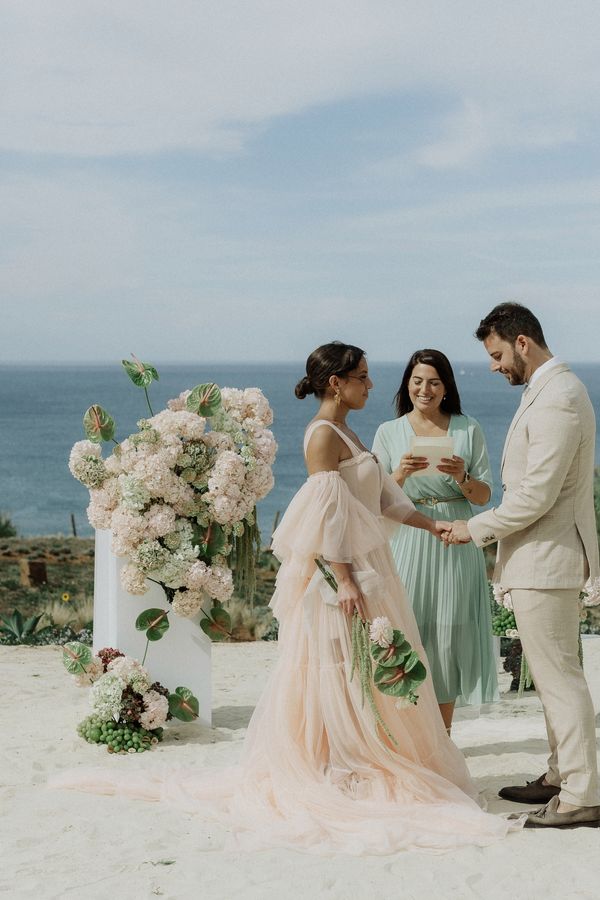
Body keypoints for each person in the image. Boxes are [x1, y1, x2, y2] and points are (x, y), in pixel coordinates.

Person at [54, 341, 523, 853]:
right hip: (344, 574)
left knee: (366, 668)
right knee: (339, 668)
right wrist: (345, 581)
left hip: (373, 564)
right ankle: (337, 763)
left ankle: (362, 754)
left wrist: (435, 526)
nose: (371, 385)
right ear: (335, 383)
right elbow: (325, 520)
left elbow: (384, 499)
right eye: (362, 377)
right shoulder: (322, 436)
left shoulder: (347, 429)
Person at [445, 303, 600, 829]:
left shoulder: (558, 395)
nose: (493, 365)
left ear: (522, 342)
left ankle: (581, 795)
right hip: (540, 556)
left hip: (549, 557)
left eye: (496, 354)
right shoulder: (548, 390)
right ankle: (561, 776)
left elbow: (536, 494)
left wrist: (475, 527)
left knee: (560, 679)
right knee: (556, 675)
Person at [372, 349, 498, 733]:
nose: (424, 389)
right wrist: (399, 474)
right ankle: (407, 734)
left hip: (456, 542)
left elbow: (483, 497)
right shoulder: (388, 432)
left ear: (446, 388)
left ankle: (441, 738)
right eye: (417, 381)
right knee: (407, 634)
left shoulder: (467, 428)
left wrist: (462, 477)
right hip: (409, 538)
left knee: (448, 638)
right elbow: (376, 498)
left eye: (434, 382)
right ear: (407, 385)